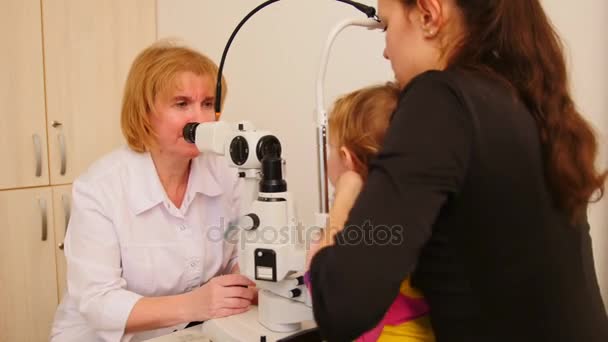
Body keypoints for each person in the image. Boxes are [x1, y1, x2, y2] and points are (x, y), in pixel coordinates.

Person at [307, 0, 608, 341]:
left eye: (387, 26)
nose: (386, 53)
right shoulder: (531, 104)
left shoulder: (441, 98)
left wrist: (344, 198)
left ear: (428, 14)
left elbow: (342, 304)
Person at [50, 42, 256, 342]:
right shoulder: (100, 188)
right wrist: (195, 304)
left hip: (191, 332)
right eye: (182, 103)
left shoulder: (227, 173)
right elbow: (97, 302)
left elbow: (240, 252)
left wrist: (250, 280)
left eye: (208, 103)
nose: (199, 118)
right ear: (145, 112)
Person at [306, 83, 436, 341]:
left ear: (346, 158)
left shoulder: (367, 223)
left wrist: (344, 195)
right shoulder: (418, 207)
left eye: (331, 147)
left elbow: (323, 285)